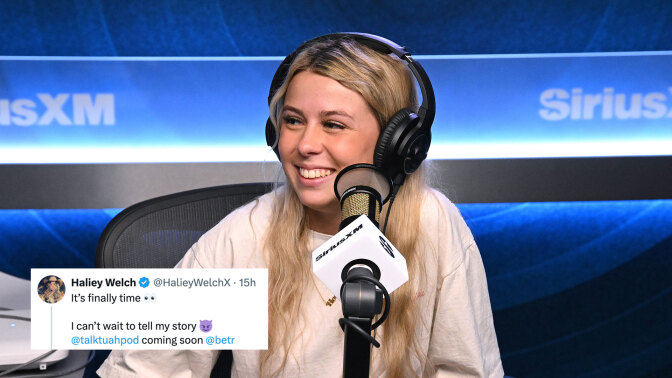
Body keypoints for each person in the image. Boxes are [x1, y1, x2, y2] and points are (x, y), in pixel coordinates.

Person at [99, 33, 504, 377]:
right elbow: (140, 367)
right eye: (293, 120)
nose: (305, 145)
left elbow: (465, 369)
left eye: (333, 124)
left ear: (395, 145)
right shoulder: (246, 235)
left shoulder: (432, 223)